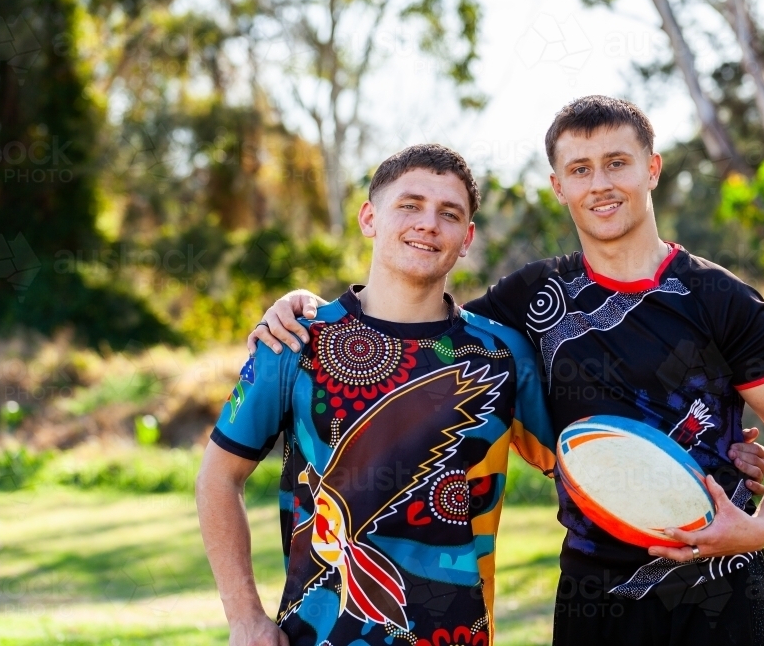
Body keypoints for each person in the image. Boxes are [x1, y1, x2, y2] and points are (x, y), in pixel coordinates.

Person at [251, 96, 764, 645]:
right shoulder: (533, 295)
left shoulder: (720, 298)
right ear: (558, 187)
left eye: (617, 163)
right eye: (580, 169)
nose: (599, 184)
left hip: (721, 584)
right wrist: (309, 306)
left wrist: (759, 526)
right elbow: (417, 331)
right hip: (592, 588)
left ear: (651, 169)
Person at [197, 144, 558, 646]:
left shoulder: (502, 355)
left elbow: (579, 470)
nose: (428, 223)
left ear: (467, 238)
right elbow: (218, 476)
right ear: (370, 217)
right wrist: (244, 617)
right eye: (409, 205)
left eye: (448, 213)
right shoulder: (295, 341)